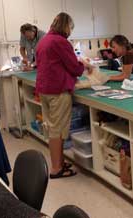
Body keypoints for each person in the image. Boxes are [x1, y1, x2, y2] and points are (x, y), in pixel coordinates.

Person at [36, 12, 93, 179]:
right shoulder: (61, 42)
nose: (70, 31)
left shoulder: (44, 40)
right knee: (58, 131)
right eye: (71, 27)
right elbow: (74, 68)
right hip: (57, 91)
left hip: (45, 89)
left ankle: (59, 162)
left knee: (52, 128)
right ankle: (56, 169)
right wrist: (83, 66)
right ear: (66, 26)